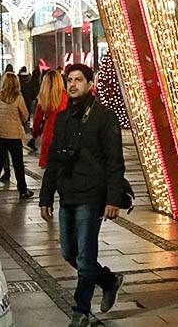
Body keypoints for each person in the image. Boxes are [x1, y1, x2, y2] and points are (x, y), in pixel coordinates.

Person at [40, 64, 126, 326]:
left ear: (90, 84)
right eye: (70, 80)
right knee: (68, 252)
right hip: (68, 192)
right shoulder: (64, 117)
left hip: (92, 195)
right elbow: (54, 158)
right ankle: (108, 280)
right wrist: (45, 196)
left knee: (85, 256)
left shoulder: (104, 116)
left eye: (79, 79)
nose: (73, 84)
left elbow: (114, 161)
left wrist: (113, 198)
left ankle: (81, 310)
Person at [0, 71, 33, 203]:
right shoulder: (18, 97)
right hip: (13, 134)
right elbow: (25, 115)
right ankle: (22, 190)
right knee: (18, 163)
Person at [32, 69, 68, 170]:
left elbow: (37, 120)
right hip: (64, 133)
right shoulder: (66, 96)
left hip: (48, 133)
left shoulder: (43, 97)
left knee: (49, 170)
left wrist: (35, 134)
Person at [23, 67, 42, 152]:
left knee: (34, 115)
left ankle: (33, 136)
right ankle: (33, 137)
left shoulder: (30, 81)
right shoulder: (36, 82)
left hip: (31, 99)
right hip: (33, 99)